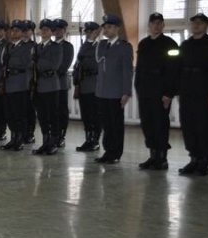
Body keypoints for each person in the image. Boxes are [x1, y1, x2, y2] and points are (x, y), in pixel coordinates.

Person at [165, 13, 208, 176]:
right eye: (193, 23)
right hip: (187, 90)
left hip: (203, 90)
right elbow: (177, 69)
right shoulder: (185, 45)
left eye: (200, 23)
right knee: (188, 125)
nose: (196, 26)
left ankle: (203, 161)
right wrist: (173, 91)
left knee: (203, 126)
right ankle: (193, 158)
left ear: (206, 25)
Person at [135, 12, 178, 170]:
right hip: (145, 89)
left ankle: (162, 158)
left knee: (160, 123)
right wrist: (138, 86)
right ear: (149, 25)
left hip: (161, 90)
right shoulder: (143, 43)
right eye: (153, 23)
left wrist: (169, 93)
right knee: (147, 124)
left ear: (163, 25)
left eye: (159, 23)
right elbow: (139, 68)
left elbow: (173, 70)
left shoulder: (170, 44)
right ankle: (153, 156)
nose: (156, 26)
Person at [94, 15, 133, 164]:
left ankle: (116, 153)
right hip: (102, 91)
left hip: (116, 91)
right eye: (105, 27)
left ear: (117, 29)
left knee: (116, 124)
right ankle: (108, 151)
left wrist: (126, 92)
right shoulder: (102, 45)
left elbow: (127, 71)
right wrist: (95, 37)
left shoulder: (124, 47)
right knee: (106, 124)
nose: (106, 29)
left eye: (109, 27)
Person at [1, 20, 34, 151]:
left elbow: (25, 63)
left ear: (22, 33)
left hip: (20, 83)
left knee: (19, 113)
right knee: (9, 113)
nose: (14, 33)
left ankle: (20, 138)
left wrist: (11, 64)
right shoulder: (9, 46)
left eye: (17, 31)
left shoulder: (27, 47)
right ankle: (13, 137)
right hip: (8, 82)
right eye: (12, 30)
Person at [31, 20, 63, 155]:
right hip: (38, 84)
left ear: (52, 32)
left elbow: (54, 65)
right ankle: (45, 142)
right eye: (42, 29)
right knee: (42, 116)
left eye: (46, 30)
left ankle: (54, 142)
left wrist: (38, 60)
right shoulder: (37, 47)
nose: (43, 32)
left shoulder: (56, 47)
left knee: (52, 115)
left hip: (50, 84)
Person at [73, 22, 102, 152]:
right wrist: (76, 81)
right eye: (87, 32)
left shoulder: (100, 46)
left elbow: (96, 64)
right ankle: (88, 139)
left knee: (95, 114)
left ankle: (95, 140)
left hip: (94, 84)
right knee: (86, 115)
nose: (88, 34)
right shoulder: (84, 47)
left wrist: (84, 60)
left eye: (91, 31)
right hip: (83, 84)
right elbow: (77, 65)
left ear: (98, 32)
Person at [53, 19, 74, 147]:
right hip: (49, 84)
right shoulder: (50, 45)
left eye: (60, 29)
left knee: (61, 109)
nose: (58, 31)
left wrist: (50, 72)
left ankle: (61, 135)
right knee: (52, 110)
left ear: (65, 31)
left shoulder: (67, 46)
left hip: (60, 82)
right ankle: (53, 133)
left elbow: (64, 65)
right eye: (55, 29)